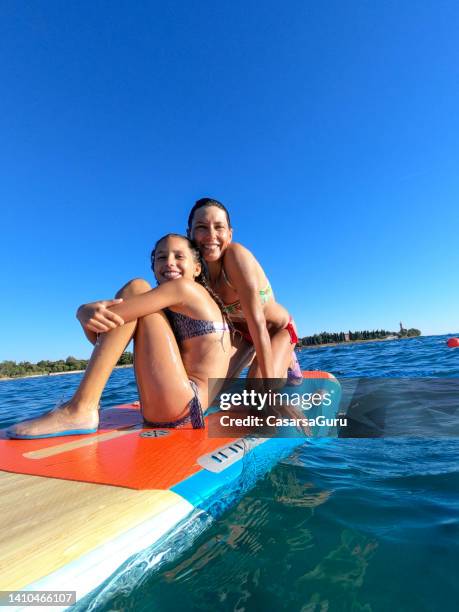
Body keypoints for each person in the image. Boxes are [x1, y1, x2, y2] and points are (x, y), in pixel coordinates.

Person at [7, 235, 231, 439]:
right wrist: (89, 317)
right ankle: (81, 406)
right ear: (154, 267)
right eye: (161, 257)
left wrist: (81, 311)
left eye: (179, 256)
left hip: (184, 405)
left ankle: (81, 407)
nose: (169, 262)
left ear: (197, 268)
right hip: (183, 408)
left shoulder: (185, 289)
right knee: (138, 295)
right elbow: (105, 339)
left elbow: (101, 330)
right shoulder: (168, 308)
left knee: (136, 288)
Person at [187, 197, 302, 382]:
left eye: (219, 227)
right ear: (189, 233)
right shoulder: (195, 273)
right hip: (242, 336)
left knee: (256, 394)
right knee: (211, 386)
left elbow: (258, 324)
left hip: (276, 330)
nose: (210, 235)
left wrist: (269, 387)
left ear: (230, 234)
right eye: (201, 227)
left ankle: (288, 360)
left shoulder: (236, 257)